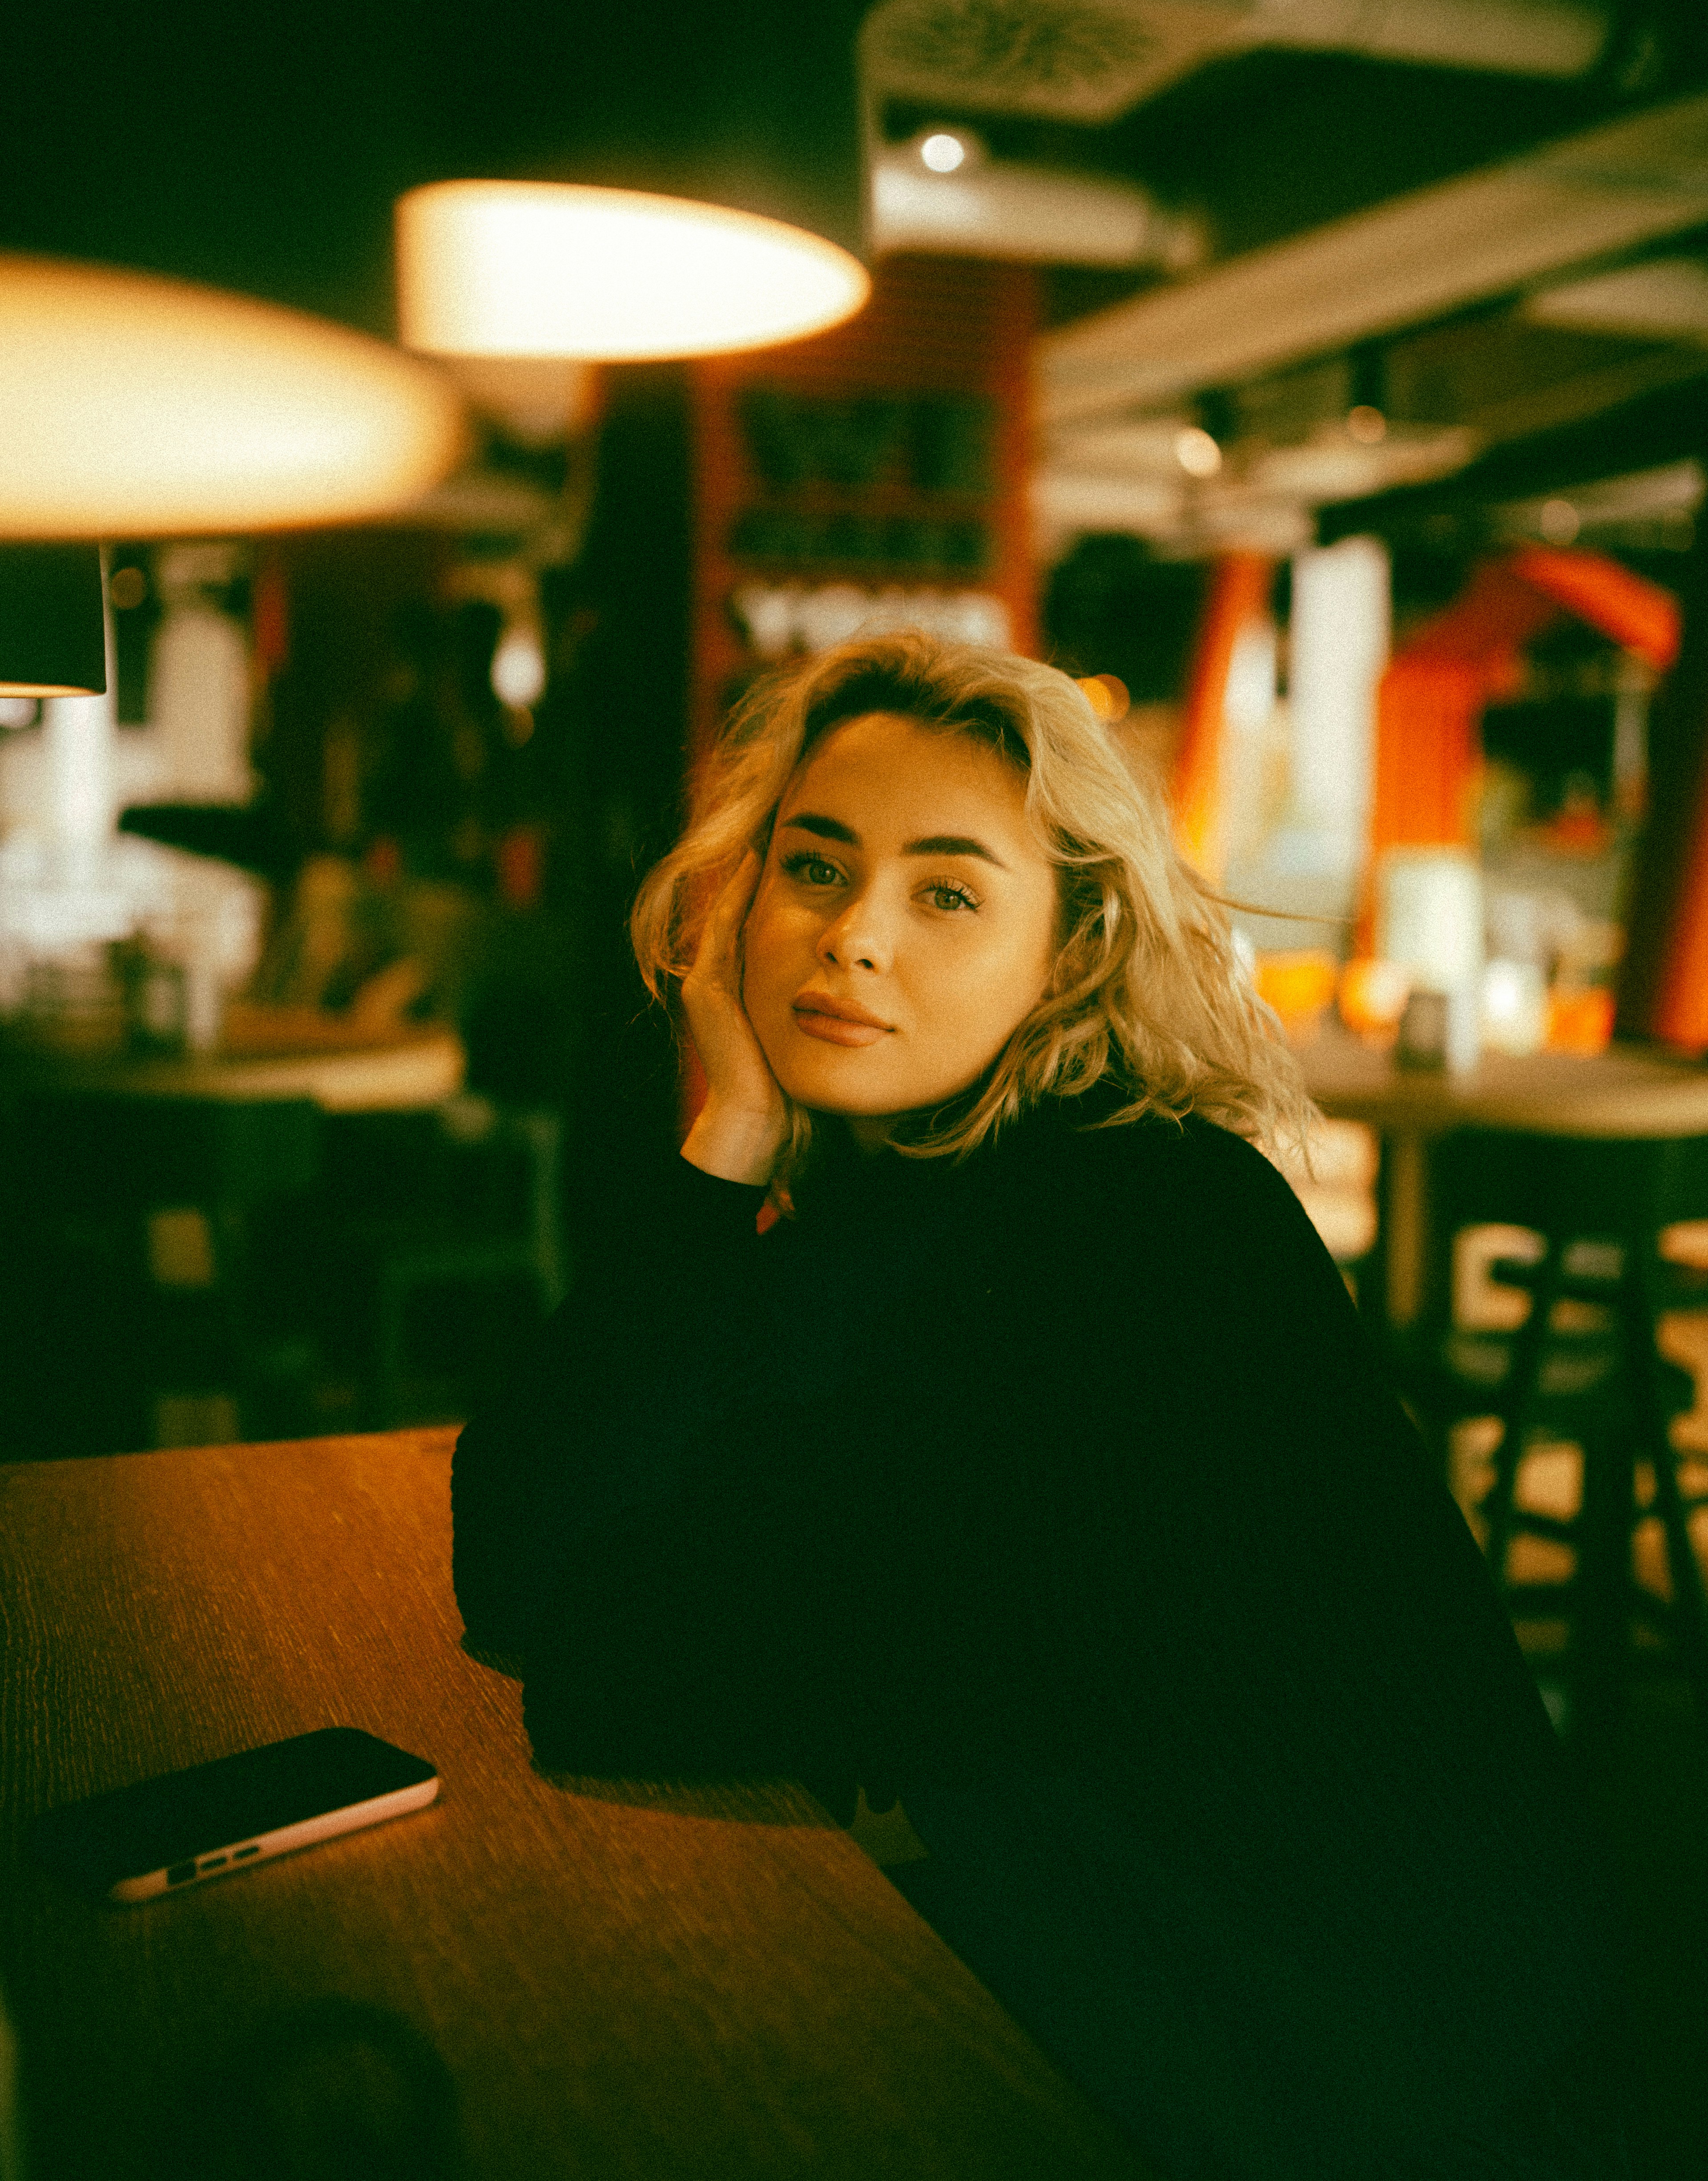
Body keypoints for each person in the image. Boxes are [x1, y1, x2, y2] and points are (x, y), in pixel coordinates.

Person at [452, 633, 1630, 2180]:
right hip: (1125, 1950)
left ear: (1068, 952)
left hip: (1365, 2055)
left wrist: (659, 1569)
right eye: (815, 867)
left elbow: (633, 1662)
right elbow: (525, 1554)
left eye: (947, 892)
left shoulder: (1143, 1230)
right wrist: (731, 1120)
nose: (854, 937)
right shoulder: (887, 1201)